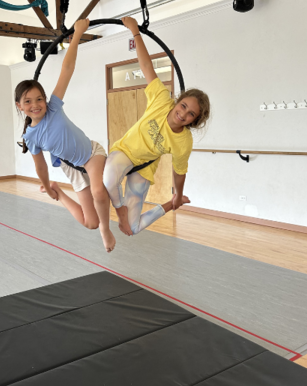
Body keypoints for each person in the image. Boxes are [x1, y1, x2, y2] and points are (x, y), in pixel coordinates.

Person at [14, 19, 116, 252]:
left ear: (45, 99)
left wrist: (77, 34)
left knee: (99, 191)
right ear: (19, 106)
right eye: (28, 101)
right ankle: (63, 195)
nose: (35, 104)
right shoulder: (31, 137)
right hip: (72, 168)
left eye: (39, 98)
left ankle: (106, 230)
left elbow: (67, 69)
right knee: (90, 222)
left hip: (91, 154)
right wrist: (49, 188)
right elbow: (41, 167)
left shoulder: (54, 108)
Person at [104, 17, 210, 236]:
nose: (183, 114)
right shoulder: (161, 99)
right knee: (108, 180)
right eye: (183, 106)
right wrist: (135, 31)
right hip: (124, 152)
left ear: (194, 121)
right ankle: (121, 213)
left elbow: (179, 171)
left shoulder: (183, 141)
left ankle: (166, 206)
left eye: (191, 114)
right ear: (178, 100)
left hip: (144, 168)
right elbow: (146, 65)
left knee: (133, 229)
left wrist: (177, 196)